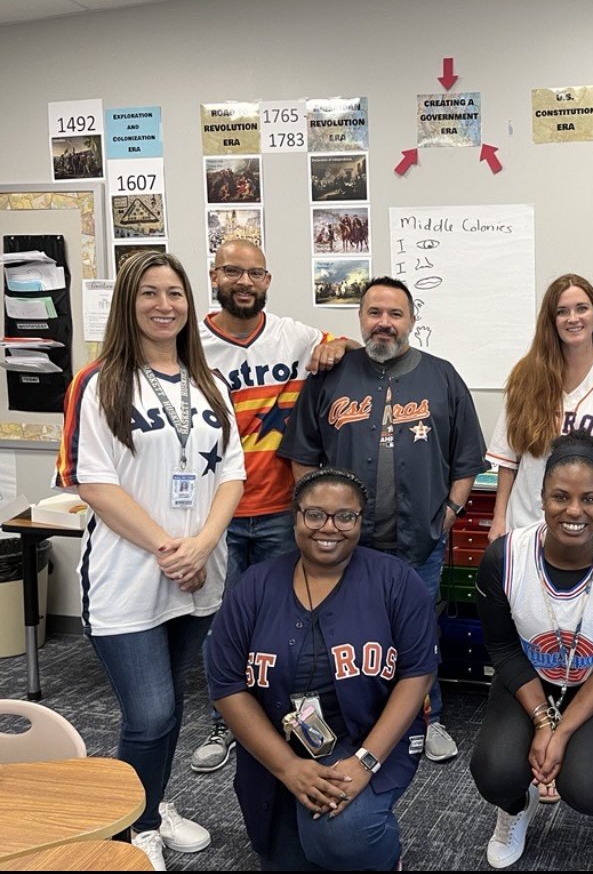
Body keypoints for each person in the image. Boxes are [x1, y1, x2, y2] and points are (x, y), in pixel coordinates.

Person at [54, 251, 246, 871]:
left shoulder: (209, 383)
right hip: (131, 576)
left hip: (197, 576)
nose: (165, 305)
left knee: (170, 710)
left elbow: (232, 475)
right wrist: (170, 547)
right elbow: (93, 481)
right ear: (128, 305)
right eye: (150, 294)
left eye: (176, 294)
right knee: (151, 711)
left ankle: (153, 805)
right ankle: (127, 828)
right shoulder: (100, 380)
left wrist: (204, 544)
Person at [279, 276, 487, 763]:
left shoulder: (443, 377)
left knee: (419, 633)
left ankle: (428, 718)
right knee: (341, 631)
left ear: (412, 320)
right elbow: (303, 453)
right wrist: (315, 519)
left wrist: (452, 511)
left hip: (420, 539)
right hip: (343, 543)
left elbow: (467, 460)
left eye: (395, 314)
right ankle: (351, 720)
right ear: (360, 318)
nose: (384, 323)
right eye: (375, 313)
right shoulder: (330, 376)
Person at [205, 467, 438, 870]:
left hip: (366, 735)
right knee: (288, 859)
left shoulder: (396, 581)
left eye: (345, 516)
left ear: (360, 522)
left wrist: (365, 761)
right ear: (295, 516)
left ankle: (387, 858)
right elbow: (225, 684)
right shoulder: (256, 585)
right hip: (279, 742)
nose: (328, 527)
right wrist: (288, 766)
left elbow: (418, 673)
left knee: (343, 836)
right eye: (315, 514)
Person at [190, 239, 358, 774]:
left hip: (282, 512)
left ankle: (285, 717)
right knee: (223, 626)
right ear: (214, 276)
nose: (244, 282)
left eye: (255, 273)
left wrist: (337, 347)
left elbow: (357, 344)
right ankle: (228, 723)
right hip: (216, 514)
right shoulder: (189, 345)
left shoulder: (295, 336)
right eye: (233, 272)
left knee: (286, 621)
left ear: (268, 280)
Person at [470, 430, 593, 871]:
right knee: (494, 772)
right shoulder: (504, 558)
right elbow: (501, 646)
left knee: (588, 785)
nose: (574, 511)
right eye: (561, 497)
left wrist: (561, 731)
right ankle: (516, 808)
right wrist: (540, 720)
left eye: (590, 499)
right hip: (530, 679)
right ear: (541, 498)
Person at [488, 273, 593, 541]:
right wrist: (499, 520)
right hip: (527, 522)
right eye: (562, 312)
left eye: (582, 309)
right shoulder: (526, 374)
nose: (573, 318)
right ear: (551, 322)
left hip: (591, 526)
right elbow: (508, 459)